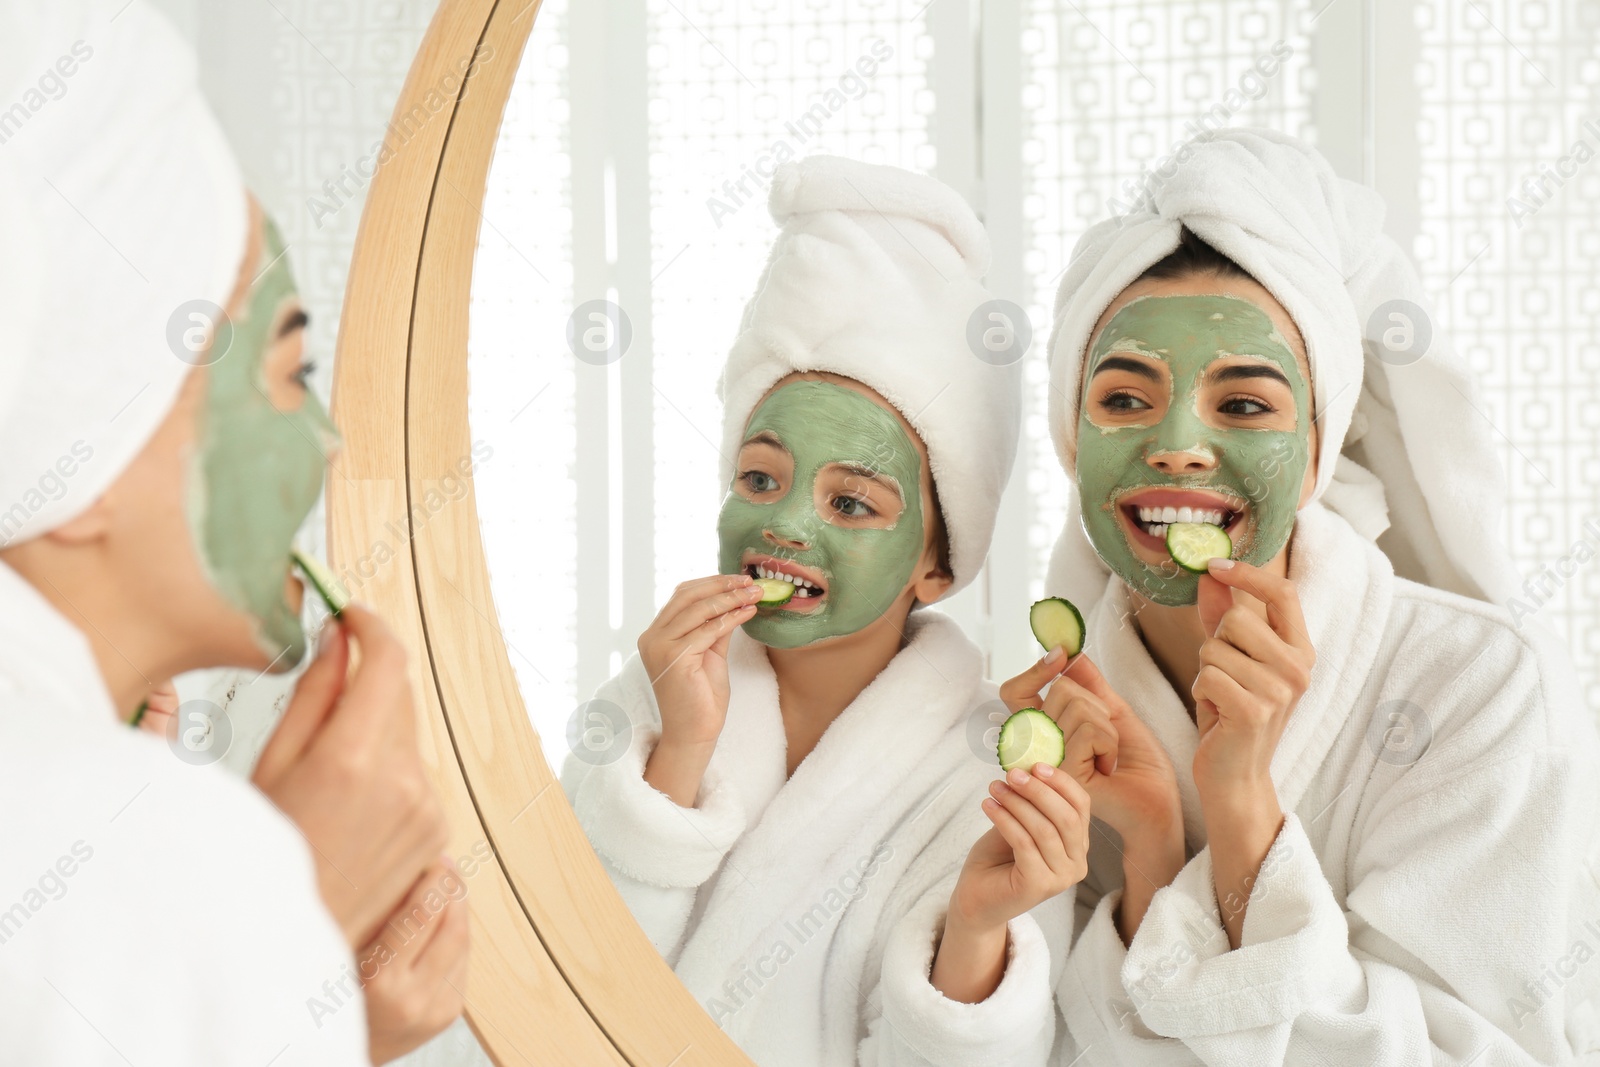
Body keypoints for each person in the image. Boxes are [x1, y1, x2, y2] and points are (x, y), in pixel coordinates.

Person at [1017, 127, 1600, 1063]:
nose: (1179, 446)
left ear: (1319, 450)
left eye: (1244, 404)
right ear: (1069, 438)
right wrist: (1154, 854)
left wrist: (1243, 806)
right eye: (1124, 399)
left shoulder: (1482, 683)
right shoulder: (1063, 722)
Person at [0, 2, 465, 1062]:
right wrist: (282, 919)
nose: (329, 440)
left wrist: (332, 1007)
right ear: (89, 444)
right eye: (292, 371)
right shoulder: (135, 850)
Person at [561, 155, 1084, 1066]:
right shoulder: (648, 703)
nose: (785, 524)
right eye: (759, 477)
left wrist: (974, 929)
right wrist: (677, 756)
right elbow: (565, 979)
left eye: (851, 502)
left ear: (936, 564)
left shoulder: (988, 772)